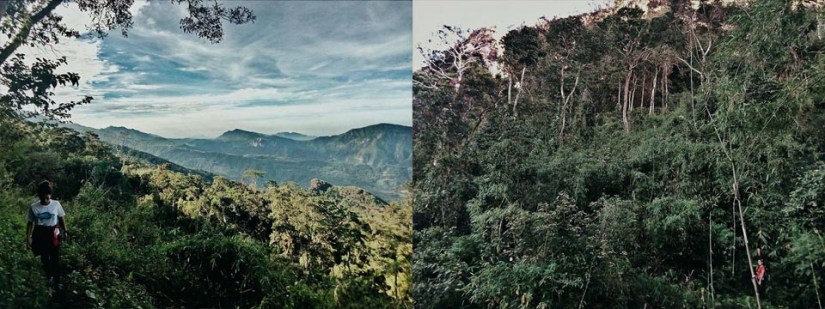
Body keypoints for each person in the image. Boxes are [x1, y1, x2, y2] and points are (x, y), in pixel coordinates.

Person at [25, 180, 67, 289]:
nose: (45, 200)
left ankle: (57, 282)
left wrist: (65, 230)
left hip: (53, 232)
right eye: (42, 198)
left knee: (55, 258)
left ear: (50, 195)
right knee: (44, 258)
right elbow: (30, 224)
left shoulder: (56, 204)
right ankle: (49, 277)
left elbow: (61, 218)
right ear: (38, 195)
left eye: (47, 197)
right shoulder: (33, 207)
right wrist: (28, 238)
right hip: (40, 233)